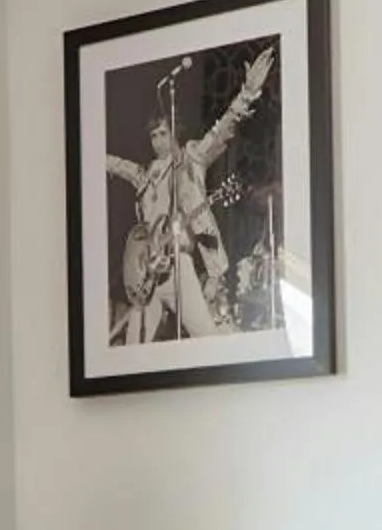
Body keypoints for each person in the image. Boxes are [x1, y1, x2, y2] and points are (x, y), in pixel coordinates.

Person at [105, 46, 274, 345]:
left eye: (162, 133)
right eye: (153, 136)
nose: (157, 141)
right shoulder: (145, 174)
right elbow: (115, 164)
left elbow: (221, 132)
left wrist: (247, 93)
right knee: (133, 347)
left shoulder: (190, 159)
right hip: (147, 276)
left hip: (178, 268)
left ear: (174, 131)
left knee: (205, 337)